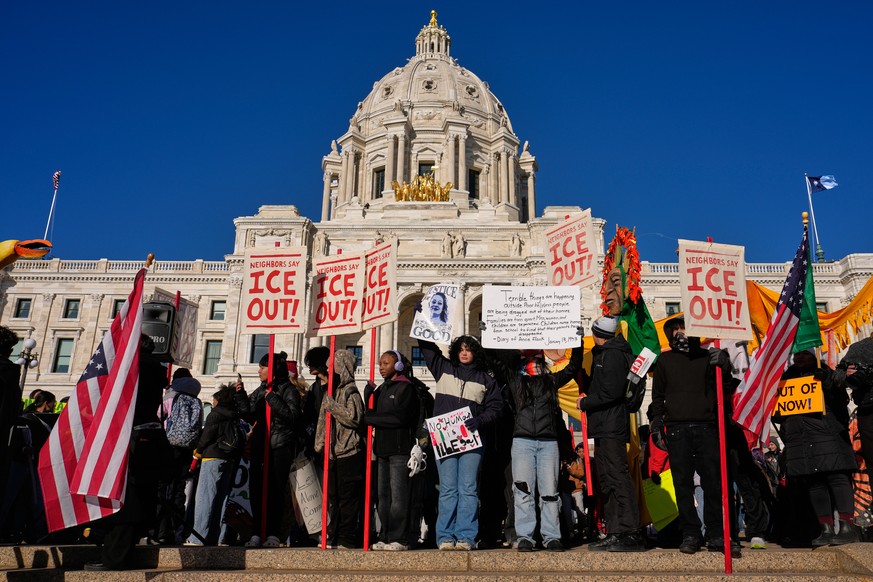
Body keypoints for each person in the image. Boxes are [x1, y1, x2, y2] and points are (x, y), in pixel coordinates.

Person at [647, 316, 742, 558]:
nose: (681, 333)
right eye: (676, 330)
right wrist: (656, 426)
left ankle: (716, 533)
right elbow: (657, 399)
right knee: (683, 485)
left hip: (706, 426)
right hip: (677, 428)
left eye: (684, 329)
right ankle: (690, 532)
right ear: (670, 335)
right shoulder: (665, 361)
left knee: (713, 483)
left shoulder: (709, 357)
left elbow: (726, 390)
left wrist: (725, 366)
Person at [85, 335, 170, 571]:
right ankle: (118, 553)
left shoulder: (134, 368)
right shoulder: (155, 369)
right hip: (146, 437)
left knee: (127, 499)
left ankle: (114, 558)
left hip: (130, 437)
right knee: (138, 496)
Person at [418, 335, 503, 551]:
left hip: (471, 440)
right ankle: (445, 536)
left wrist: (479, 420)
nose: (464, 353)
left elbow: (496, 408)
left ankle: (466, 536)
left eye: (469, 349)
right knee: (447, 489)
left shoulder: (486, 379)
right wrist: (424, 322)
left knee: (468, 488)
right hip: (445, 438)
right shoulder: (442, 368)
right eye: (461, 349)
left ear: (475, 352)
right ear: (455, 351)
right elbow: (427, 347)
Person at [497, 342, 581, 552]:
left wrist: (577, 341)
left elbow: (573, 366)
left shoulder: (551, 381)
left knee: (549, 492)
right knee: (522, 490)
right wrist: (491, 337)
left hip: (548, 442)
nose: (533, 362)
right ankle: (525, 536)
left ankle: (551, 536)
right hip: (523, 442)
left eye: (536, 358)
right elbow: (497, 363)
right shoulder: (516, 381)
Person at [774, 349, 860, 546]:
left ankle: (847, 527)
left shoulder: (826, 373)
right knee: (815, 483)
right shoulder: (786, 378)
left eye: (804, 353)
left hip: (826, 436)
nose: (799, 357)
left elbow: (841, 402)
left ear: (814, 355)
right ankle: (826, 529)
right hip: (800, 440)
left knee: (837, 478)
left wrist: (828, 383)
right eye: (796, 354)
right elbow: (777, 411)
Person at [578, 315, 645, 552]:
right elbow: (600, 386)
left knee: (617, 476)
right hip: (605, 425)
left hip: (612, 425)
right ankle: (616, 530)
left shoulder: (613, 355)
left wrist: (585, 403)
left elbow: (611, 392)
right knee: (607, 479)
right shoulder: (606, 354)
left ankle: (630, 532)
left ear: (597, 335)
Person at [237, 351, 301, 548]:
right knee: (256, 490)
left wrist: (272, 398)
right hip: (260, 444)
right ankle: (257, 531)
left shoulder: (288, 390)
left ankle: (273, 533)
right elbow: (248, 414)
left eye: (263, 367)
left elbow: (292, 416)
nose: (259, 371)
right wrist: (240, 395)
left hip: (279, 445)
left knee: (275, 490)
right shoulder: (261, 389)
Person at [362, 350, 420, 551]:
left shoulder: (406, 388)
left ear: (398, 366)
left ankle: (400, 538)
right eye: (380, 363)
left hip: (399, 449)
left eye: (386, 363)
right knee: (383, 497)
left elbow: (400, 418)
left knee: (398, 497)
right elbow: (369, 414)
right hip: (382, 449)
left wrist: (370, 419)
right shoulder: (380, 389)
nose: (381, 367)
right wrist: (368, 396)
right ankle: (385, 535)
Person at [314, 349, 365, 549]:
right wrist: (320, 443)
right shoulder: (334, 390)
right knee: (333, 498)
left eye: (331, 367)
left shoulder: (351, 391)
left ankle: (346, 538)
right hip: (334, 451)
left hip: (349, 451)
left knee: (347, 499)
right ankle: (332, 535)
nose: (328, 370)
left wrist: (332, 406)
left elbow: (354, 417)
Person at [185, 385, 242, 545]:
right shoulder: (233, 415)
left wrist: (197, 452)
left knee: (205, 497)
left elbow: (206, 437)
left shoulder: (215, 415)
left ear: (218, 400)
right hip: (228, 458)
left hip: (212, 457)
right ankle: (219, 536)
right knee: (222, 498)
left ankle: (198, 536)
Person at [156, 368, 202, 545]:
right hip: (187, 448)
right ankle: (176, 529)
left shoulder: (170, 396)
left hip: (169, 446)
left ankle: (161, 529)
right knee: (179, 488)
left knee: (165, 486)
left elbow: (159, 416)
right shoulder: (196, 400)